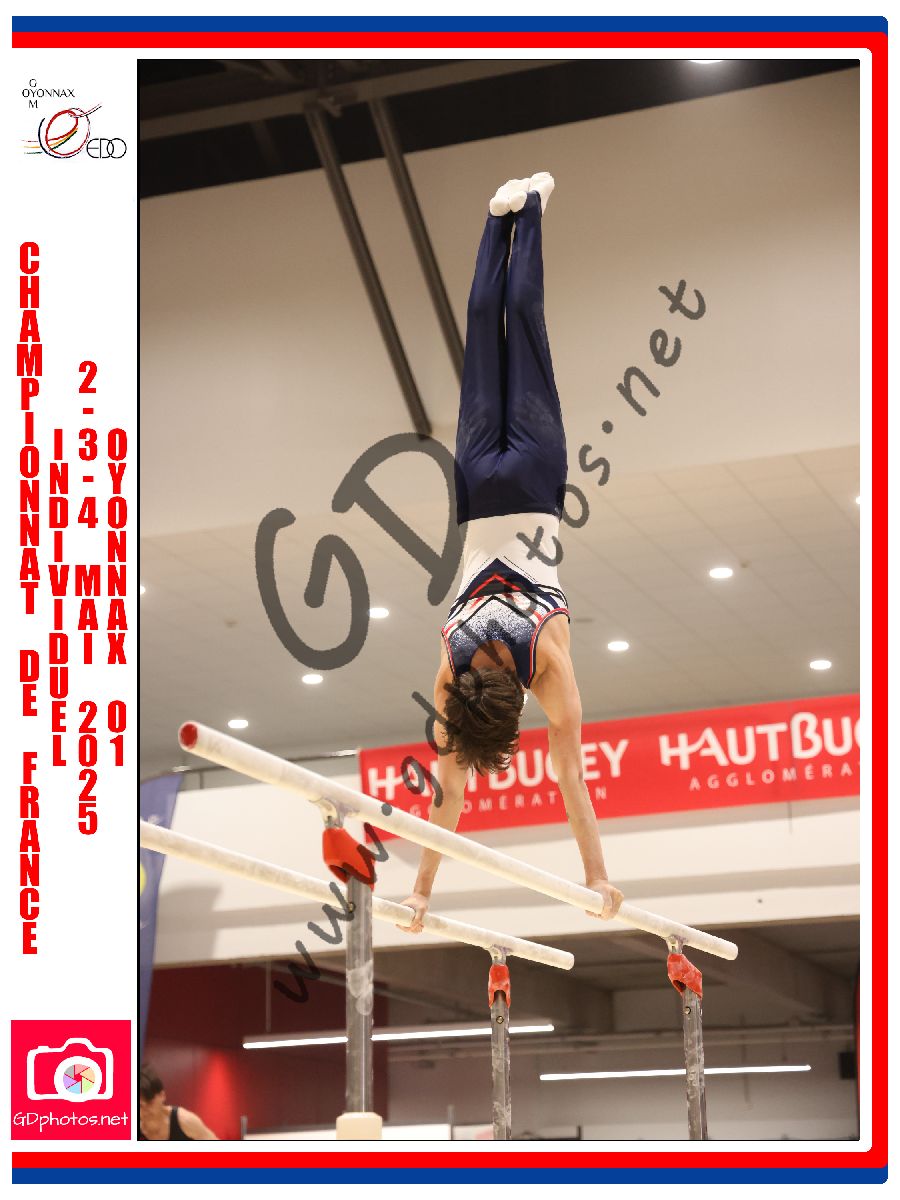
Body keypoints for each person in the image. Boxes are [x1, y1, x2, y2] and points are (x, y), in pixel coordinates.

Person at [400, 175, 624, 932]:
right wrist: (420, 892)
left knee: (501, 326)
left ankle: (514, 217)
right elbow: (473, 791)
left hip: (504, 481)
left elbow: (539, 785)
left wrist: (423, 890)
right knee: (501, 328)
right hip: (503, 479)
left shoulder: (506, 674)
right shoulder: (498, 669)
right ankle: (514, 216)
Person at [138, 1063, 218, 1140]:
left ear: (162, 1095)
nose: (145, 1110)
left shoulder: (185, 1120)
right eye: (140, 1106)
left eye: (150, 1103)